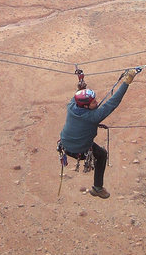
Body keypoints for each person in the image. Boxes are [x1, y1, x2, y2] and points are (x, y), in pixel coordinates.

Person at [60, 68, 139, 199]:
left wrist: (81, 86)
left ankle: (97, 188)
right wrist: (126, 82)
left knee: (99, 152)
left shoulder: (72, 105)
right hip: (79, 149)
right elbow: (113, 102)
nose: (97, 103)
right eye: (93, 102)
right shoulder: (94, 116)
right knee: (102, 155)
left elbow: (78, 94)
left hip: (65, 143)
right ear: (85, 106)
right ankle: (97, 188)